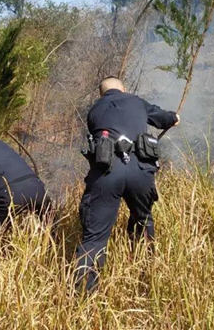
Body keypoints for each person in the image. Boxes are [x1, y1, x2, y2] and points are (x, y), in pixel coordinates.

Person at [74, 76, 180, 293]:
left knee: (94, 239)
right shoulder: (136, 101)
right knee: (142, 220)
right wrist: (173, 117)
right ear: (124, 89)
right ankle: (148, 278)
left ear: (101, 94)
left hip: (106, 172)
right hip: (140, 172)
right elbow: (163, 118)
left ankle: (83, 297)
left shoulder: (94, 110)